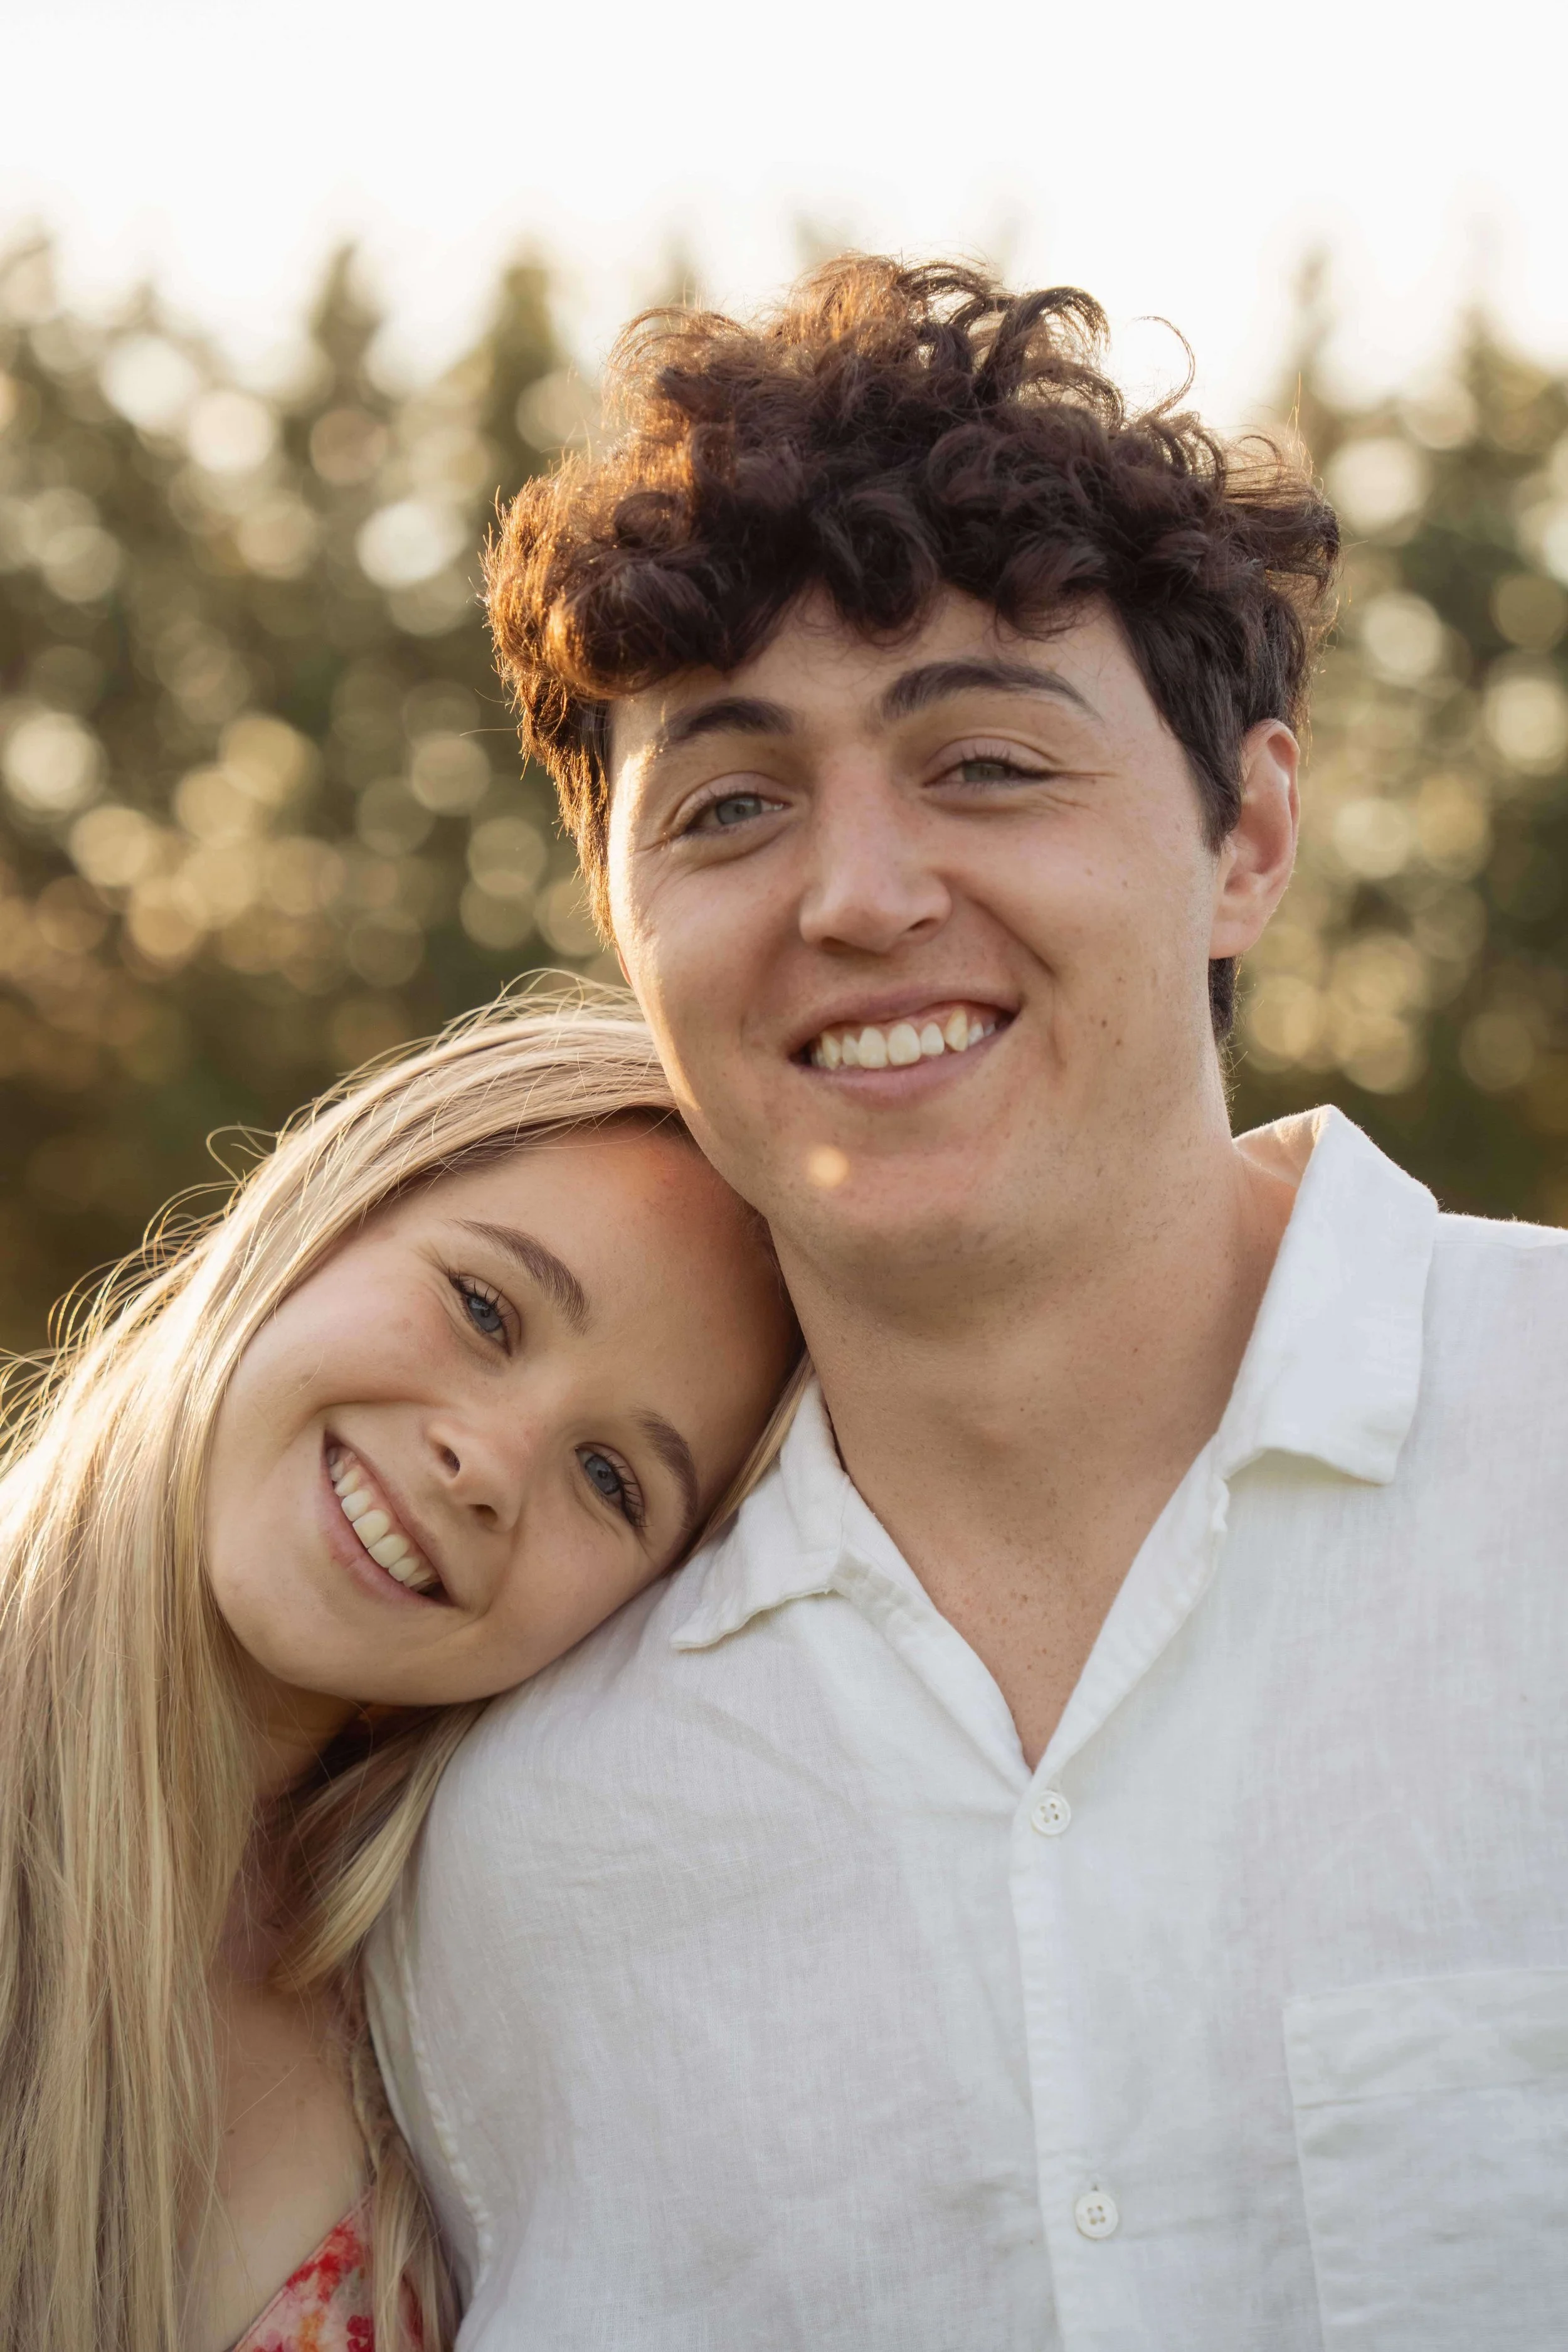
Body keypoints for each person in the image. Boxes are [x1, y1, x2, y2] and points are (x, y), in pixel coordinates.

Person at [369, 259, 1568, 2348]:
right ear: (622, 926)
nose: (858, 896)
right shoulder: (495, 1870)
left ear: (1247, 836)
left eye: (989, 765)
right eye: (731, 808)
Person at [0, 992, 800, 2352]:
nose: (488, 1463)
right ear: (328, 1212)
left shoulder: (463, 2063)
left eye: (612, 1479)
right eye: (486, 1308)